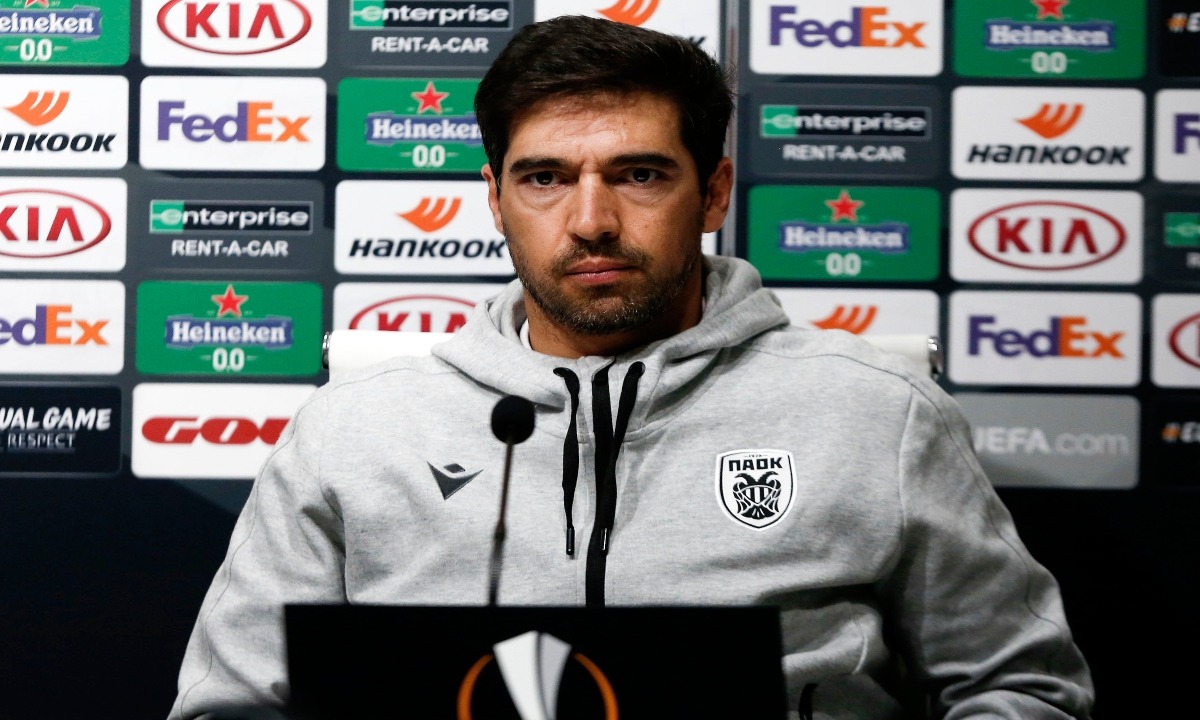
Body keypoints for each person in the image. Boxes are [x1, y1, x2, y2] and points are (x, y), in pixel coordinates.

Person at [169, 14, 1094, 720]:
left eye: (639, 175)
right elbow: (230, 706)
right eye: (545, 178)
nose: (591, 222)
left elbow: (1024, 692)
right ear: (494, 197)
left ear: (713, 192)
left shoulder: (876, 412)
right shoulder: (354, 429)